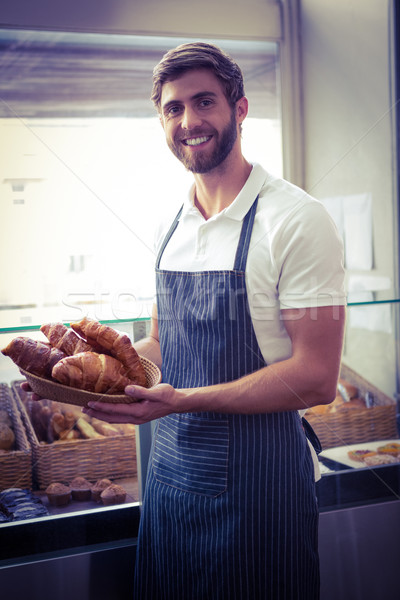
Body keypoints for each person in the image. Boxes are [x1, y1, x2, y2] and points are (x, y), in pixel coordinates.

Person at [83, 42, 346, 600]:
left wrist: (184, 400)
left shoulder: (295, 219)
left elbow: (317, 376)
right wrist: (101, 371)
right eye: (174, 109)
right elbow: (162, 343)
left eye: (205, 102)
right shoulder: (169, 226)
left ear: (240, 109)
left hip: (260, 495)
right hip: (172, 488)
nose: (189, 121)